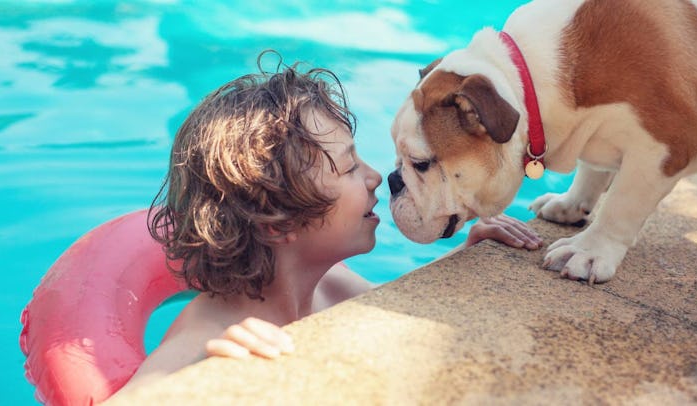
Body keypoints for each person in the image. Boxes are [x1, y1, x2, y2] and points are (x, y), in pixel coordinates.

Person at [112, 52, 542, 397]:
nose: (376, 177)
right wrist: (197, 379)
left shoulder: (329, 283)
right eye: (350, 166)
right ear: (277, 224)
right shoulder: (209, 338)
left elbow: (409, 319)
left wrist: (461, 256)